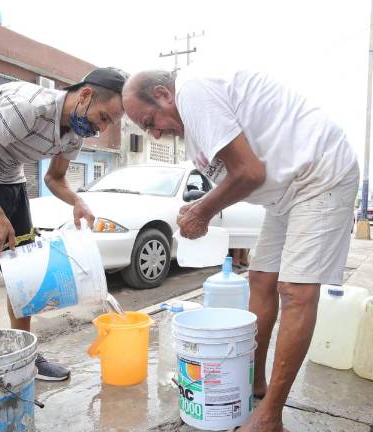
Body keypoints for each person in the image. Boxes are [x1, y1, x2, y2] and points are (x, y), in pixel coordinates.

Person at [122, 69, 359, 432]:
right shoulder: (191, 128)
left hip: (319, 173)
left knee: (296, 291)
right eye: (146, 129)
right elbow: (238, 176)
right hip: (285, 196)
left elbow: (249, 172)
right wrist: (200, 203)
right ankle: (254, 382)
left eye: (150, 121)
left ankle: (270, 417)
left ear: (163, 94)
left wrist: (203, 210)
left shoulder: (194, 93)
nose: (154, 132)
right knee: (261, 280)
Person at [0, 67, 126, 381]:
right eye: (104, 117)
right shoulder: (29, 108)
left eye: (109, 123)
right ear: (85, 95)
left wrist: (78, 201)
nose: (101, 127)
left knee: (23, 275)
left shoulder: (74, 133)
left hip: (10, 180)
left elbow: (54, 178)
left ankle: (24, 355)